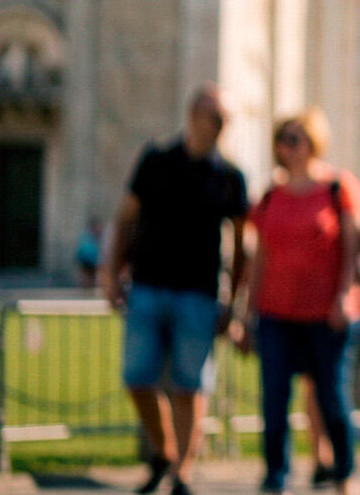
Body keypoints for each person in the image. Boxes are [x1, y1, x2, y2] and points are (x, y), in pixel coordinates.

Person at [97, 84, 250, 495]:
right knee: (136, 377)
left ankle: (182, 471)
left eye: (224, 120)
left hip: (198, 294)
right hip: (147, 286)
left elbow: (241, 245)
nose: (218, 127)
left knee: (189, 386)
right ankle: (164, 450)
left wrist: (234, 303)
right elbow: (125, 217)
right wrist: (111, 273)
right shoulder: (156, 160)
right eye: (213, 117)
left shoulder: (230, 177)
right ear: (192, 116)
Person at [238, 109, 360, 495]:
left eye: (296, 139)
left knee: (332, 396)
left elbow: (351, 250)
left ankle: (345, 472)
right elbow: (260, 257)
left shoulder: (338, 188)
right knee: (275, 398)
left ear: (315, 142)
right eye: (283, 139)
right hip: (277, 312)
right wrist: (247, 312)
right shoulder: (270, 195)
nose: (288, 147)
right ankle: (276, 476)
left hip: (326, 314)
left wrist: (345, 294)